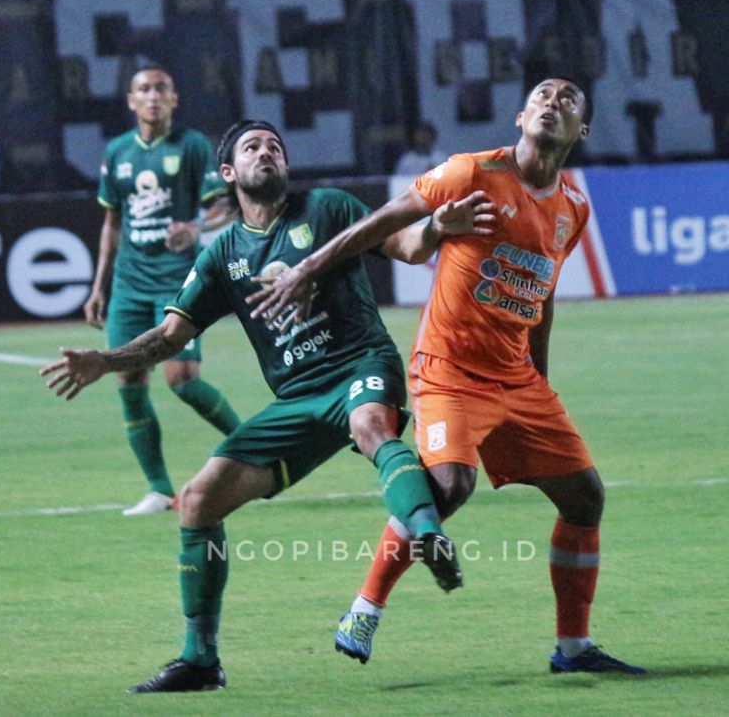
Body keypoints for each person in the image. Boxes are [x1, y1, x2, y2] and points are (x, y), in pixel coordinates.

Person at [43, 119, 492, 693]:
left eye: (275, 146)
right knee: (199, 501)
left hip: (360, 366)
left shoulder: (326, 208)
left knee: (370, 423)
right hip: (298, 398)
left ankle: (428, 534)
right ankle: (200, 660)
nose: (267, 153)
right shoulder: (223, 255)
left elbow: (406, 246)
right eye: (253, 148)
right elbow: (171, 337)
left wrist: (436, 227)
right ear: (228, 173)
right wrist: (106, 360)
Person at [250, 78, 647, 677]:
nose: (553, 102)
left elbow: (542, 293)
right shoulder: (470, 173)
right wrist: (308, 268)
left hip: (517, 379)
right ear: (520, 116)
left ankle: (573, 649)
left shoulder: (574, 208)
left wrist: (538, 380)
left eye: (568, 99)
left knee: (585, 498)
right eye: (542, 94)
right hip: (450, 370)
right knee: (451, 486)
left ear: (582, 131)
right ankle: (364, 608)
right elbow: (384, 221)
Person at [85, 66, 240, 515]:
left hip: (177, 279)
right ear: (131, 101)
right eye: (144, 90)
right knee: (129, 379)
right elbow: (112, 222)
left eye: (162, 90)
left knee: (182, 380)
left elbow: (224, 206)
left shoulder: (192, 146)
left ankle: (253, 444)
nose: (153, 97)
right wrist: (100, 286)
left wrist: (194, 227)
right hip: (130, 284)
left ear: (175, 99)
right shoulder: (117, 152)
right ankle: (158, 489)